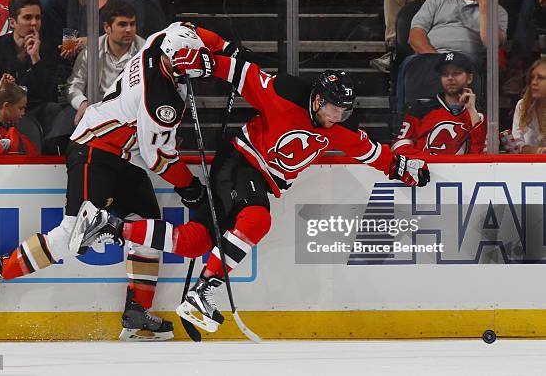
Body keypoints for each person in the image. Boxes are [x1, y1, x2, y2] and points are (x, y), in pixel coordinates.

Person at [72, 45, 431, 334]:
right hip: (241, 162)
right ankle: (202, 293)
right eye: (334, 109)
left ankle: (110, 226)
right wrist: (204, 62)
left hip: (254, 179)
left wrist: (403, 168)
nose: (337, 117)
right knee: (258, 219)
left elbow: (372, 153)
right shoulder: (283, 94)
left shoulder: (338, 129)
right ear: (319, 99)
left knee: (196, 240)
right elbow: (241, 72)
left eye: (344, 112)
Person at [0, 22, 239, 341]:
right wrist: (191, 189)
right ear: (175, 61)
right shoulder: (160, 101)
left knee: (148, 226)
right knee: (74, 233)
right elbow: (158, 158)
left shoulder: (158, 43)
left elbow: (186, 27)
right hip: (94, 150)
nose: (192, 74)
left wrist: (227, 47)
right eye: (188, 67)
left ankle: (136, 314)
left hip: (121, 154)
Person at [0, 0, 64, 134]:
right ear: (13, 22)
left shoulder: (48, 51)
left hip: (32, 110)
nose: (34, 23)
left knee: (54, 110)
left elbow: (48, 94)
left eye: (38, 18)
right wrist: (1, 91)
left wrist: (35, 58)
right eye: (27, 17)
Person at [67, 0, 145, 126]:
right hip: (96, 111)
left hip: (132, 116)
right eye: (122, 25)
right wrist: (82, 103)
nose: (129, 30)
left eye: (132, 24)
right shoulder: (91, 50)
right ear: (107, 28)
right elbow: (74, 84)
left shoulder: (145, 51)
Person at [392, 52, 486, 155]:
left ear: (469, 78)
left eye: (456, 73)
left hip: (462, 171)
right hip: (425, 168)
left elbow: (480, 155)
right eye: (445, 74)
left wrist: (472, 110)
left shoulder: (478, 115)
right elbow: (399, 146)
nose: (450, 78)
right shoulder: (420, 109)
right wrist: (425, 162)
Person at [503, 59, 546, 154]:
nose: (534, 82)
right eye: (532, 77)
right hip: (528, 164)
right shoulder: (522, 105)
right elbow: (516, 144)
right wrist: (537, 151)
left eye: (541, 78)